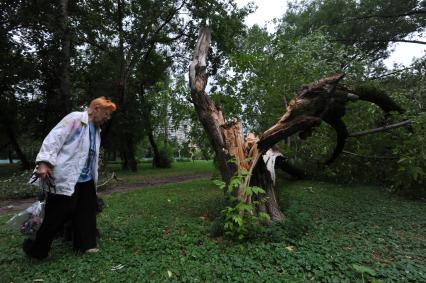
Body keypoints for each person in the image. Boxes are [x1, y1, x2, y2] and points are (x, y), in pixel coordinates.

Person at [23, 96, 116, 259]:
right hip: (67, 177)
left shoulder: (96, 129)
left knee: (86, 212)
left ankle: (86, 245)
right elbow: (54, 139)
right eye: (106, 114)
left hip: (86, 179)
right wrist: (44, 163)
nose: (107, 118)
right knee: (56, 215)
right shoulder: (75, 119)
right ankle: (37, 250)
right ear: (96, 109)